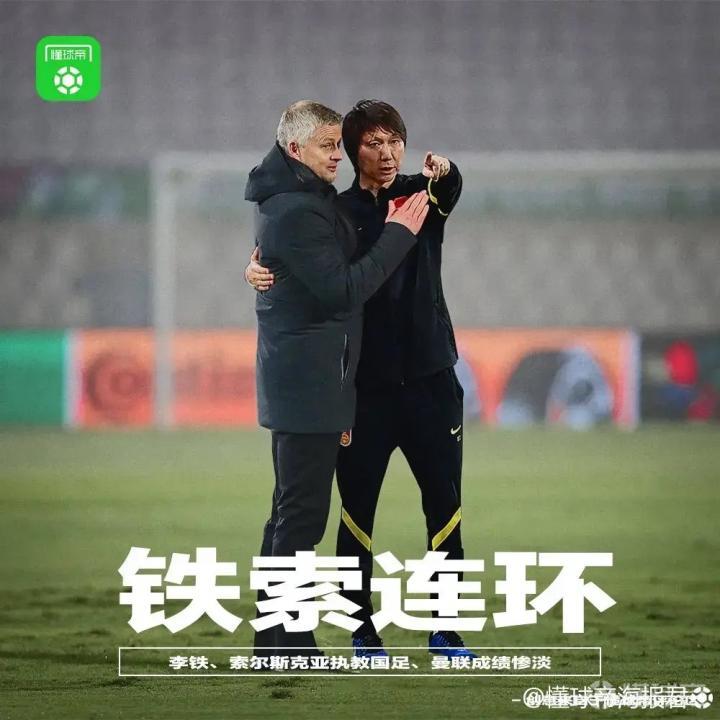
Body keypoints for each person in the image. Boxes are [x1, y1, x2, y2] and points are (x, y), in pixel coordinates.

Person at [246, 100, 474, 660]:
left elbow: (451, 188)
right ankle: (361, 630)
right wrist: (254, 266)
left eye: (396, 140)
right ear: (352, 152)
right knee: (353, 515)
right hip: (364, 390)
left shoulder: (421, 196)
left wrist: (446, 169)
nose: (388, 153)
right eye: (373, 143)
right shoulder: (336, 210)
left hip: (431, 382)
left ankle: (446, 628)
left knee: (444, 509)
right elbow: (303, 254)